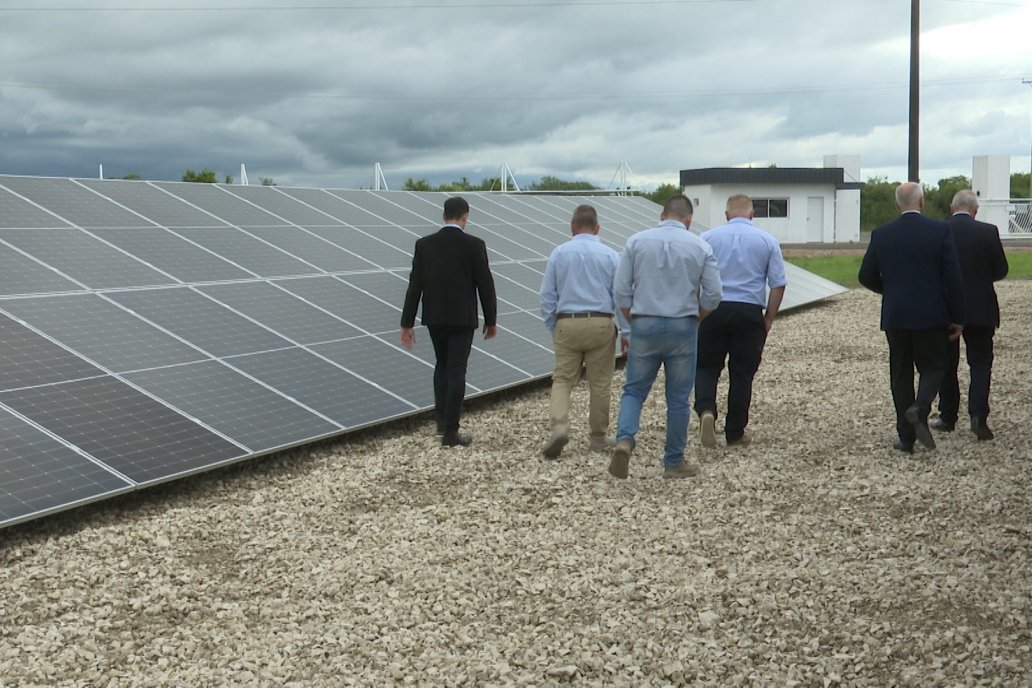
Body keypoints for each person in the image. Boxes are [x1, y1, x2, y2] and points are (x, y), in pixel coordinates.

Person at [609, 195, 722, 480]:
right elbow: (714, 293)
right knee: (679, 398)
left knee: (634, 390)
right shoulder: (700, 246)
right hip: (682, 325)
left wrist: (632, 319)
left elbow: (620, 290)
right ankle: (673, 462)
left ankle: (624, 439)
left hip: (644, 321)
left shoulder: (635, 242)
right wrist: (698, 316)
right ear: (688, 219)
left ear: (661, 215)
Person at [858, 181, 965, 454]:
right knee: (934, 365)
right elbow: (953, 277)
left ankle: (905, 438)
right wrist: (958, 315)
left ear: (897, 205)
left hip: (896, 313)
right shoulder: (940, 231)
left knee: (901, 373)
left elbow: (865, 275)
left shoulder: (881, 234)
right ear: (922, 201)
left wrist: (889, 291)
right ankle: (921, 407)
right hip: (932, 313)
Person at [400, 196, 497, 447]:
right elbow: (485, 284)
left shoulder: (425, 245)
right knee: (457, 369)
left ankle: (441, 423)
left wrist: (407, 323)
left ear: (444, 216)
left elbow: (415, 286)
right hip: (463, 319)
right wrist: (491, 319)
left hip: (434, 317)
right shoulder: (474, 245)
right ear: (465, 217)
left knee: (441, 365)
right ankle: (451, 433)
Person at [693, 194, 788, 448]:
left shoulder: (707, 239)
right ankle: (734, 432)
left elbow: (695, 280)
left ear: (726, 215)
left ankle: (706, 410)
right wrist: (768, 317)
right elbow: (778, 284)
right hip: (748, 310)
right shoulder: (767, 241)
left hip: (714, 309)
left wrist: (698, 312)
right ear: (752, 214)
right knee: (742, 374)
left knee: (705, 367)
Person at [538, 204, 623, 459]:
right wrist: (626, 329)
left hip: (567, 322)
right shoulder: (610, 255)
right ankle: (598, 437)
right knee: (600, 383)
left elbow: (546, 296)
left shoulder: (559, 254)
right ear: (597, 228)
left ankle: (560, 427)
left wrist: (554, 325)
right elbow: (619, 295)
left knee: (563, 379)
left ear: (572, 227)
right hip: (600, 322)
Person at [932, 189, 1008, 440]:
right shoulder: (988, 232)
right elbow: (1001, 269)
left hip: (946, 308)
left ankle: (947, 416)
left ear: (951, 209)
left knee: (946, 364)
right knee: (980, 362)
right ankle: (978, 416)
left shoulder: (938, 231)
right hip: (981, 307)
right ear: (975, 211)